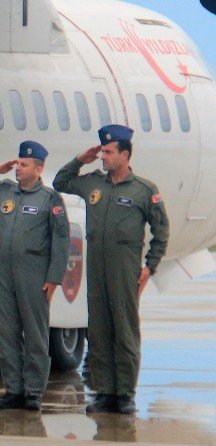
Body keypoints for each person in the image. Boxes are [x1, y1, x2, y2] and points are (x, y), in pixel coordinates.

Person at [53, 125, 169, 415]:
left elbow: (161, 231)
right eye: (101, 151)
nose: (103, 156)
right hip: (97, 269)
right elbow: (60, 182)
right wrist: (82, 159)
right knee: (100, 332)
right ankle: (104, 393)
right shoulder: (93, 184)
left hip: (124, 269)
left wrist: (149, 267)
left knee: (125, 332)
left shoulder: (144, 190)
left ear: (125, 155)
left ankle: (125, 394)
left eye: (108, 152)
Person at [0, 141, 69, 411]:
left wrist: (54, 277)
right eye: (18, 163)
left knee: (35, 334)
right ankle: (13, 389)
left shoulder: (50, 199)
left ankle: (33, 392)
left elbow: (61, 240)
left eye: (24, 165)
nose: (19, 168)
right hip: (5, 271)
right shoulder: (3, 192)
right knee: (7, 334)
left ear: (39, 168)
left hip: (34, 271)